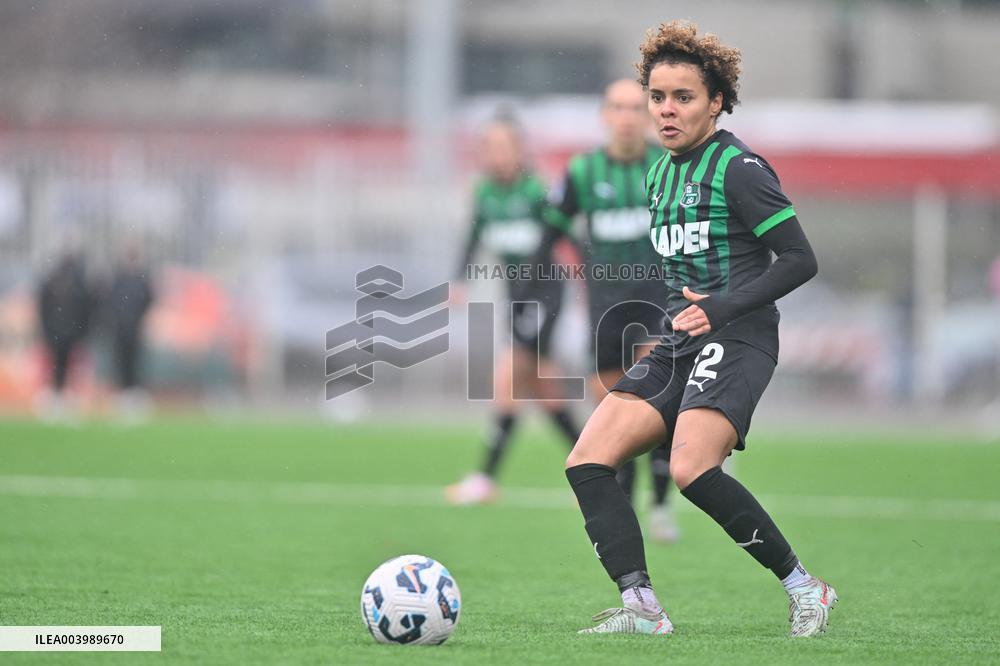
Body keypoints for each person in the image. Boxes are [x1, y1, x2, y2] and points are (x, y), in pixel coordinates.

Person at [564, 21, 834, 637]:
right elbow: (680, 272)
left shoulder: (739, 168)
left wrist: (720, 307)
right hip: (682, 339)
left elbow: (800, 259)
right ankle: (643, 610)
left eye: (682, 97)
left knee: (690, 469)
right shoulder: (660, 172)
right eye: (657, 96)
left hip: (740, 338)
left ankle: (806, 588)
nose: (666, 109)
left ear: (716, 101)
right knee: (588, 459)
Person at [544, 79, 678, 542]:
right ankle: (624, 505)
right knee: (611, 407)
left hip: (658, 299)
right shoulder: (583, 171)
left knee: (654, 399)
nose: (625, 116)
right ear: (604, 115)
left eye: (633, 108)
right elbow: (551, 225)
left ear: (645, 117)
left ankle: (660, 504)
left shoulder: (666, 165)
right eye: (617, 108)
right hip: (605, 305)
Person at [446, 113, 581, 505]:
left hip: (547, 294)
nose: (497, 154)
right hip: (516, 297)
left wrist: (592, 276)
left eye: (505, 146)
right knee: (546, 390)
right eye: (490, 147)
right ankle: (596, 462)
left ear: (521, 151)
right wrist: (459, 281)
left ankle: (485, 477)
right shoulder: (485, 194)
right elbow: (471, 238)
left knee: (508, 379)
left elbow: (568, 235)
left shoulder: (536, 191)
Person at [36, 252, 93, 419]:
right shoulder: (62, 285)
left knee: (68, 366)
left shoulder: (72, 285)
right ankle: (56, 396)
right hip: (60, 333)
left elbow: (85, 310)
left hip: (66, 333)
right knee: (58, 366)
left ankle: (65, 396)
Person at [106, 245, 155, 419]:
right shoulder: (118, 278)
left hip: (135, 328)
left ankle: (134, 395)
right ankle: (123, 394)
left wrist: (137, 318)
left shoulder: (141, 279)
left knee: (135, 362)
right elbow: (110, 301)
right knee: (121, 363)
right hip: (120, 328)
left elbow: (149, 299)